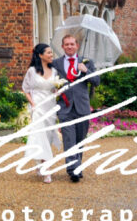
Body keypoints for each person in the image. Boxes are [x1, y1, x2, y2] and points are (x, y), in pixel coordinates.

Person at [52, 33, 100, 182]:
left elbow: (97, 81)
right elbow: (50, 81)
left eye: (72, 44)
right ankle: (73, 169)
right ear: (62, 47)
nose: (69, 47)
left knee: (79, 140)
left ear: (77, 46)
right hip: (65, 107)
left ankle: (77, 164)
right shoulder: (56, 63)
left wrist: (86, 71)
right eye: (66, 44)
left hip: (82, 107)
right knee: (68, 139)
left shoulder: (86, 62)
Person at [21, 43, 63, 184]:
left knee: (48, 136)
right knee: (40, 136)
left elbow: (54, 90)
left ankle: (40, 162)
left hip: (50, 107)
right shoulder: (32, 71)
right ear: (40, 55)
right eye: (49, 53)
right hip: (38, 107)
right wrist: (33, 104)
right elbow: (25, 89)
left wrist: (57, 90)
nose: (52, 55)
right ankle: (47, 170)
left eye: (52, 53)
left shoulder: (55, 72)